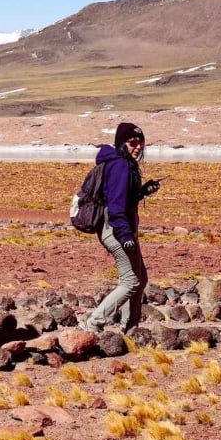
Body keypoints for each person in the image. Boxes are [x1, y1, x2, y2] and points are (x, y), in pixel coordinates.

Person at [79, 122, 162, 334]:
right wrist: (125, 235)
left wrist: (143, 192)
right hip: (116, 229)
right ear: (122, 143)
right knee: (131, 280)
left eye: (141, 143)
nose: (138, 147)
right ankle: (94, 322)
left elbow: (122, 198)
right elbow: (116, 206)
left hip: (120, 227)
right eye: (133, 143)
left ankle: (131, 328)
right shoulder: (120, 165)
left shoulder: (124, 164)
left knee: (140, 278)